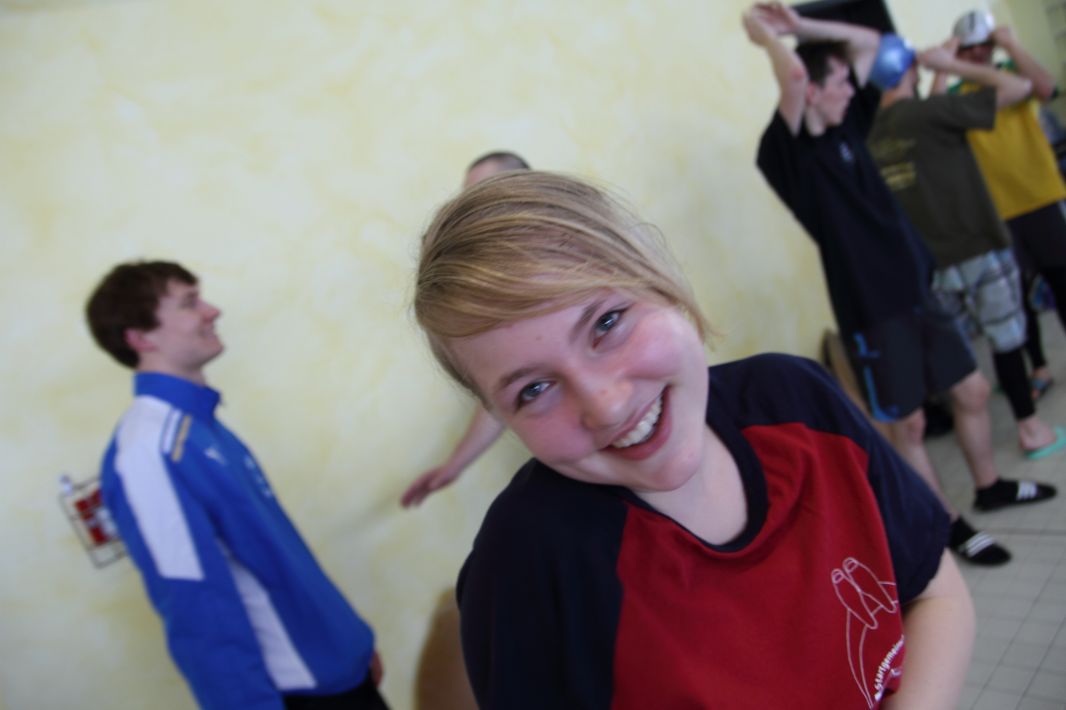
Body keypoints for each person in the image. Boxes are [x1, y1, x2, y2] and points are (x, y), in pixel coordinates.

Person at [413, 170, 974, 708]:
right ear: (499, 416)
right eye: (534, 389)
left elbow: (935, 592)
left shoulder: (799, 402)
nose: (607, 405)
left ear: (661, 279)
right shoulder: (523, 569)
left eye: (607, 323)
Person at [744, 2, 1055, 567]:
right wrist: (769, 38)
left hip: (919, 292)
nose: (850, 87)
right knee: (908, 424)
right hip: (872, 311)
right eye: (839, 81)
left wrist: (802, 25)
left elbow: (869, 43)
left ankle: (990, 487)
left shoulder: (854, 125)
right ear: (812, 90)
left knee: (973, 391)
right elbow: (793, 74)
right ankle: (947, 524)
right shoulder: (787, 155)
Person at [86, 261, 388, 710]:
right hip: (298, 694)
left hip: (338, 671)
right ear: (141, 337)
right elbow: (196, 608)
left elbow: (275, 557)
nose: (212, 311)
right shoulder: (148, 453)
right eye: (189, 303)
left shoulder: (197, 426)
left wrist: (350, 647)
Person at [868, 42, 1066, 459]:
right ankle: (1030, 429)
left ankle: (981, 448)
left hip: (933, 264)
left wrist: (938, 73)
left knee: (963, 356)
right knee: (1005, 338)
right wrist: (950, 63)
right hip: (976, 245)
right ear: (911, 69)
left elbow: (929, 121)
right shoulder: (928, 114)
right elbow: (1016, 87)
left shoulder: (876, 137)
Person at [948, 10, 1066, 402]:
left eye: (984, 45)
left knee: (1062, 282)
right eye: (969, 48)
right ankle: (1039, 367)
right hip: (996, 213)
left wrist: (1012, 45)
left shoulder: (1015, 75)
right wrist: (948, 61)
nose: (978, 53)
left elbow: (1047, 88)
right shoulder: (956, 96)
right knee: (1017, 300)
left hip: (1041, 197)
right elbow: (932, 116)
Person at [401, 150, 530, 507]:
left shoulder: (576, 245)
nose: (474, 207)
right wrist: (454, 466)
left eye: (486, 191)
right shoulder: (494, 288)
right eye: (468, 197)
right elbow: (502, 393)